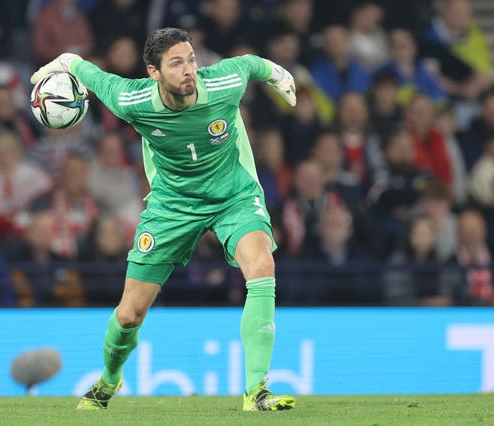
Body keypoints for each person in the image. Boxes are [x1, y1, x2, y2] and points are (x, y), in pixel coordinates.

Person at [30, 27, 297, 411]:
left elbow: (252, 64)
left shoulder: (223, 82)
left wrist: (278, 74)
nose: (189, 70)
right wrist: (65, 62)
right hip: (172, 205)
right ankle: (108, 381)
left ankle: (256, 390)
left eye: (191, 60)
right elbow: (88, 73)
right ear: (153, 73)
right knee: (128, 314)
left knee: (262, 266)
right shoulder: (131, 99)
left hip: (232, 196)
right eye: (176, 64)